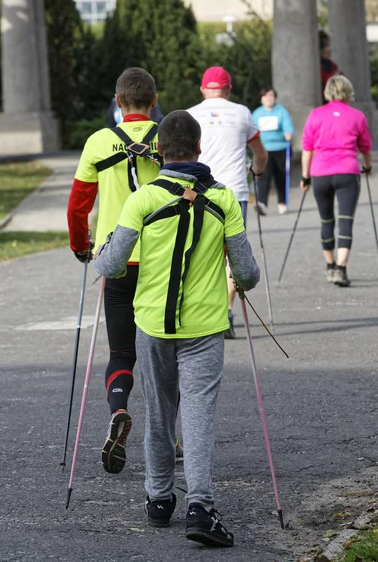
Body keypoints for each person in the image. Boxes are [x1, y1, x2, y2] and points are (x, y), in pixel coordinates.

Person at [94, 110, 260, 547]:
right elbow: (247, 272)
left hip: (151, 324)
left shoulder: (143, 198)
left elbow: (111, 265)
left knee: (159, 412)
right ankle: (200, 507)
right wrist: (238, 281)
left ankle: (159, 497)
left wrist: (103, 247)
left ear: (160, 152)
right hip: (205, 327)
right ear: (200, 148)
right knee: (199, 417)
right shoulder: (223, 199)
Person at [67, 67, 182, 476]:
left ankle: (119, 409)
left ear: (118, 102)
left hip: (117, 259)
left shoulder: (99, 141)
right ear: (154, 101)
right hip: (161, 259)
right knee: (165, 351)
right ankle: (172, 436)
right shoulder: (168, 136)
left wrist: (81, 245)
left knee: (121, 351)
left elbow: (79, 203)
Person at [187, 66, 266, 338]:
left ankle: (201, 312)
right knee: (233, 254)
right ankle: (226, 313)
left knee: (200, 251)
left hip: (198, 192)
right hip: (234, 192)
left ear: (202, 89)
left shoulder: (189, 115)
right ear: (229, 89)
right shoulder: (243, 113)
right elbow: (260, 153)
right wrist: (257, 170)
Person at [300, 75, 372, 286]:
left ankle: (330, 265)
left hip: (320, 172)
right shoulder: (357, 116)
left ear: (327, 92)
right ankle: (341, 269)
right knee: (345, 220)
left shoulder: (316, 114)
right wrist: (367, 166)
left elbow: (307, 149)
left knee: (326, 220)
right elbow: (365, 147)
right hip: (347, 172)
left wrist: (305, 176)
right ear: (348, 92)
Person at [252, 87, 294, 215]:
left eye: (271, 95)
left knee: (280, 176)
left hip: (280, 148)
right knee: (264, 176)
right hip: (264, 149)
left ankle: (282, 202)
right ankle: (262, 203)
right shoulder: (257, 113)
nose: (268, 98)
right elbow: (253, 130)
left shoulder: (281, 111)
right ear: (261, 99)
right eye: (265, 96)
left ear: (275, 97)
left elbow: (288, 126)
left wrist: (288, 133)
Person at [319, 30, 340, 103]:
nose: (328, 54)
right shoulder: (320, 64)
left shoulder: (332, 64)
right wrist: (333, 76)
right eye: (326, 52)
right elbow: (321, 77)